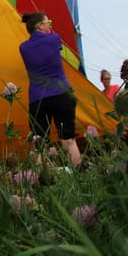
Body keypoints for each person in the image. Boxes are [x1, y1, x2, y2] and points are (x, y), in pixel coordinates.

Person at [18, 12, 81, 167]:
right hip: (61, 94)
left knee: (39, 143)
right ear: (39, 26)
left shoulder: (23, 48)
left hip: (37, 98)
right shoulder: (53, 39)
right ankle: (78, 174)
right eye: (48, 22)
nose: (50, 26)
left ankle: (43, 180)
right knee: (68, 139)